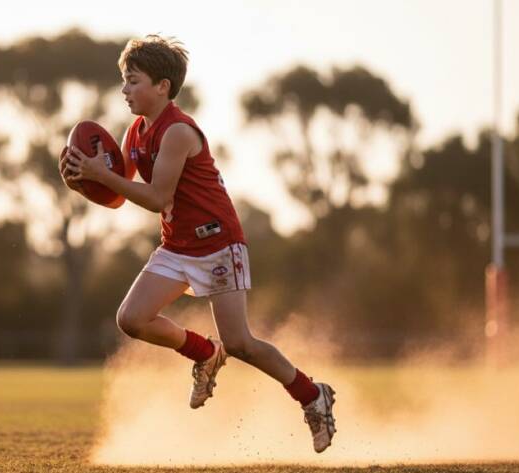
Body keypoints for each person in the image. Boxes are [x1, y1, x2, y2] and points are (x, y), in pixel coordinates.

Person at [63, 35, 336, 453]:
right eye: (124, 80)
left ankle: (311, 395)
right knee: (132, 319)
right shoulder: (136, 130)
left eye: (133, 81)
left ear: (162, 87)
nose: (124, 90)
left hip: (218, 245)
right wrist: (84, 181)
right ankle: (206, 352)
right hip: (177, 246)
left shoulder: (177, 132)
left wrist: (101, 176)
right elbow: (118, 195)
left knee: (242, 343)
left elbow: (156, 198)